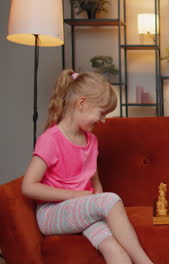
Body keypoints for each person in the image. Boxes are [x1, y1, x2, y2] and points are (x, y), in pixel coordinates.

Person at [21, 70, 153, 264]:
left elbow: (94, 181)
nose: (103, 120)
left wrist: (97, 207)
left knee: (116, 252)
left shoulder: (92, 141)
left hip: (80, 211)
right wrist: (74, 195)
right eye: (101, 113)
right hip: (52, 213)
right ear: (82, 104)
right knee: (111, 200)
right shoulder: (51, 139)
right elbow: (28, 186)